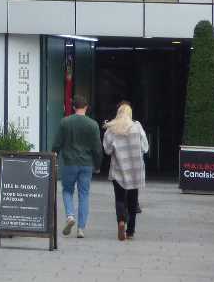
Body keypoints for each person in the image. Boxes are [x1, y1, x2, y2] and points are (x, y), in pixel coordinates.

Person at [51, 94, 103, 238]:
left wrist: (54, 153)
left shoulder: (65, 122)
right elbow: (97, 148)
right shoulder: (93, 125)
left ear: (73, 107)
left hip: (69, 163)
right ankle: (81, 228)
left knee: (67, 190)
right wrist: (97, 165)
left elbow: (57, 143)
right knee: (84, 194)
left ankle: (70, 216)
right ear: (86, 107)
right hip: (87, 164)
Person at [103, 101, 148, 241]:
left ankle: (121, 221)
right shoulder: (137, 126)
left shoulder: (111, 129)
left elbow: (107, 150)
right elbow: (145, 147)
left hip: (118, 169)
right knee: (133, 200)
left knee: (120, 198)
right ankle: (130, 231)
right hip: (135, 169)